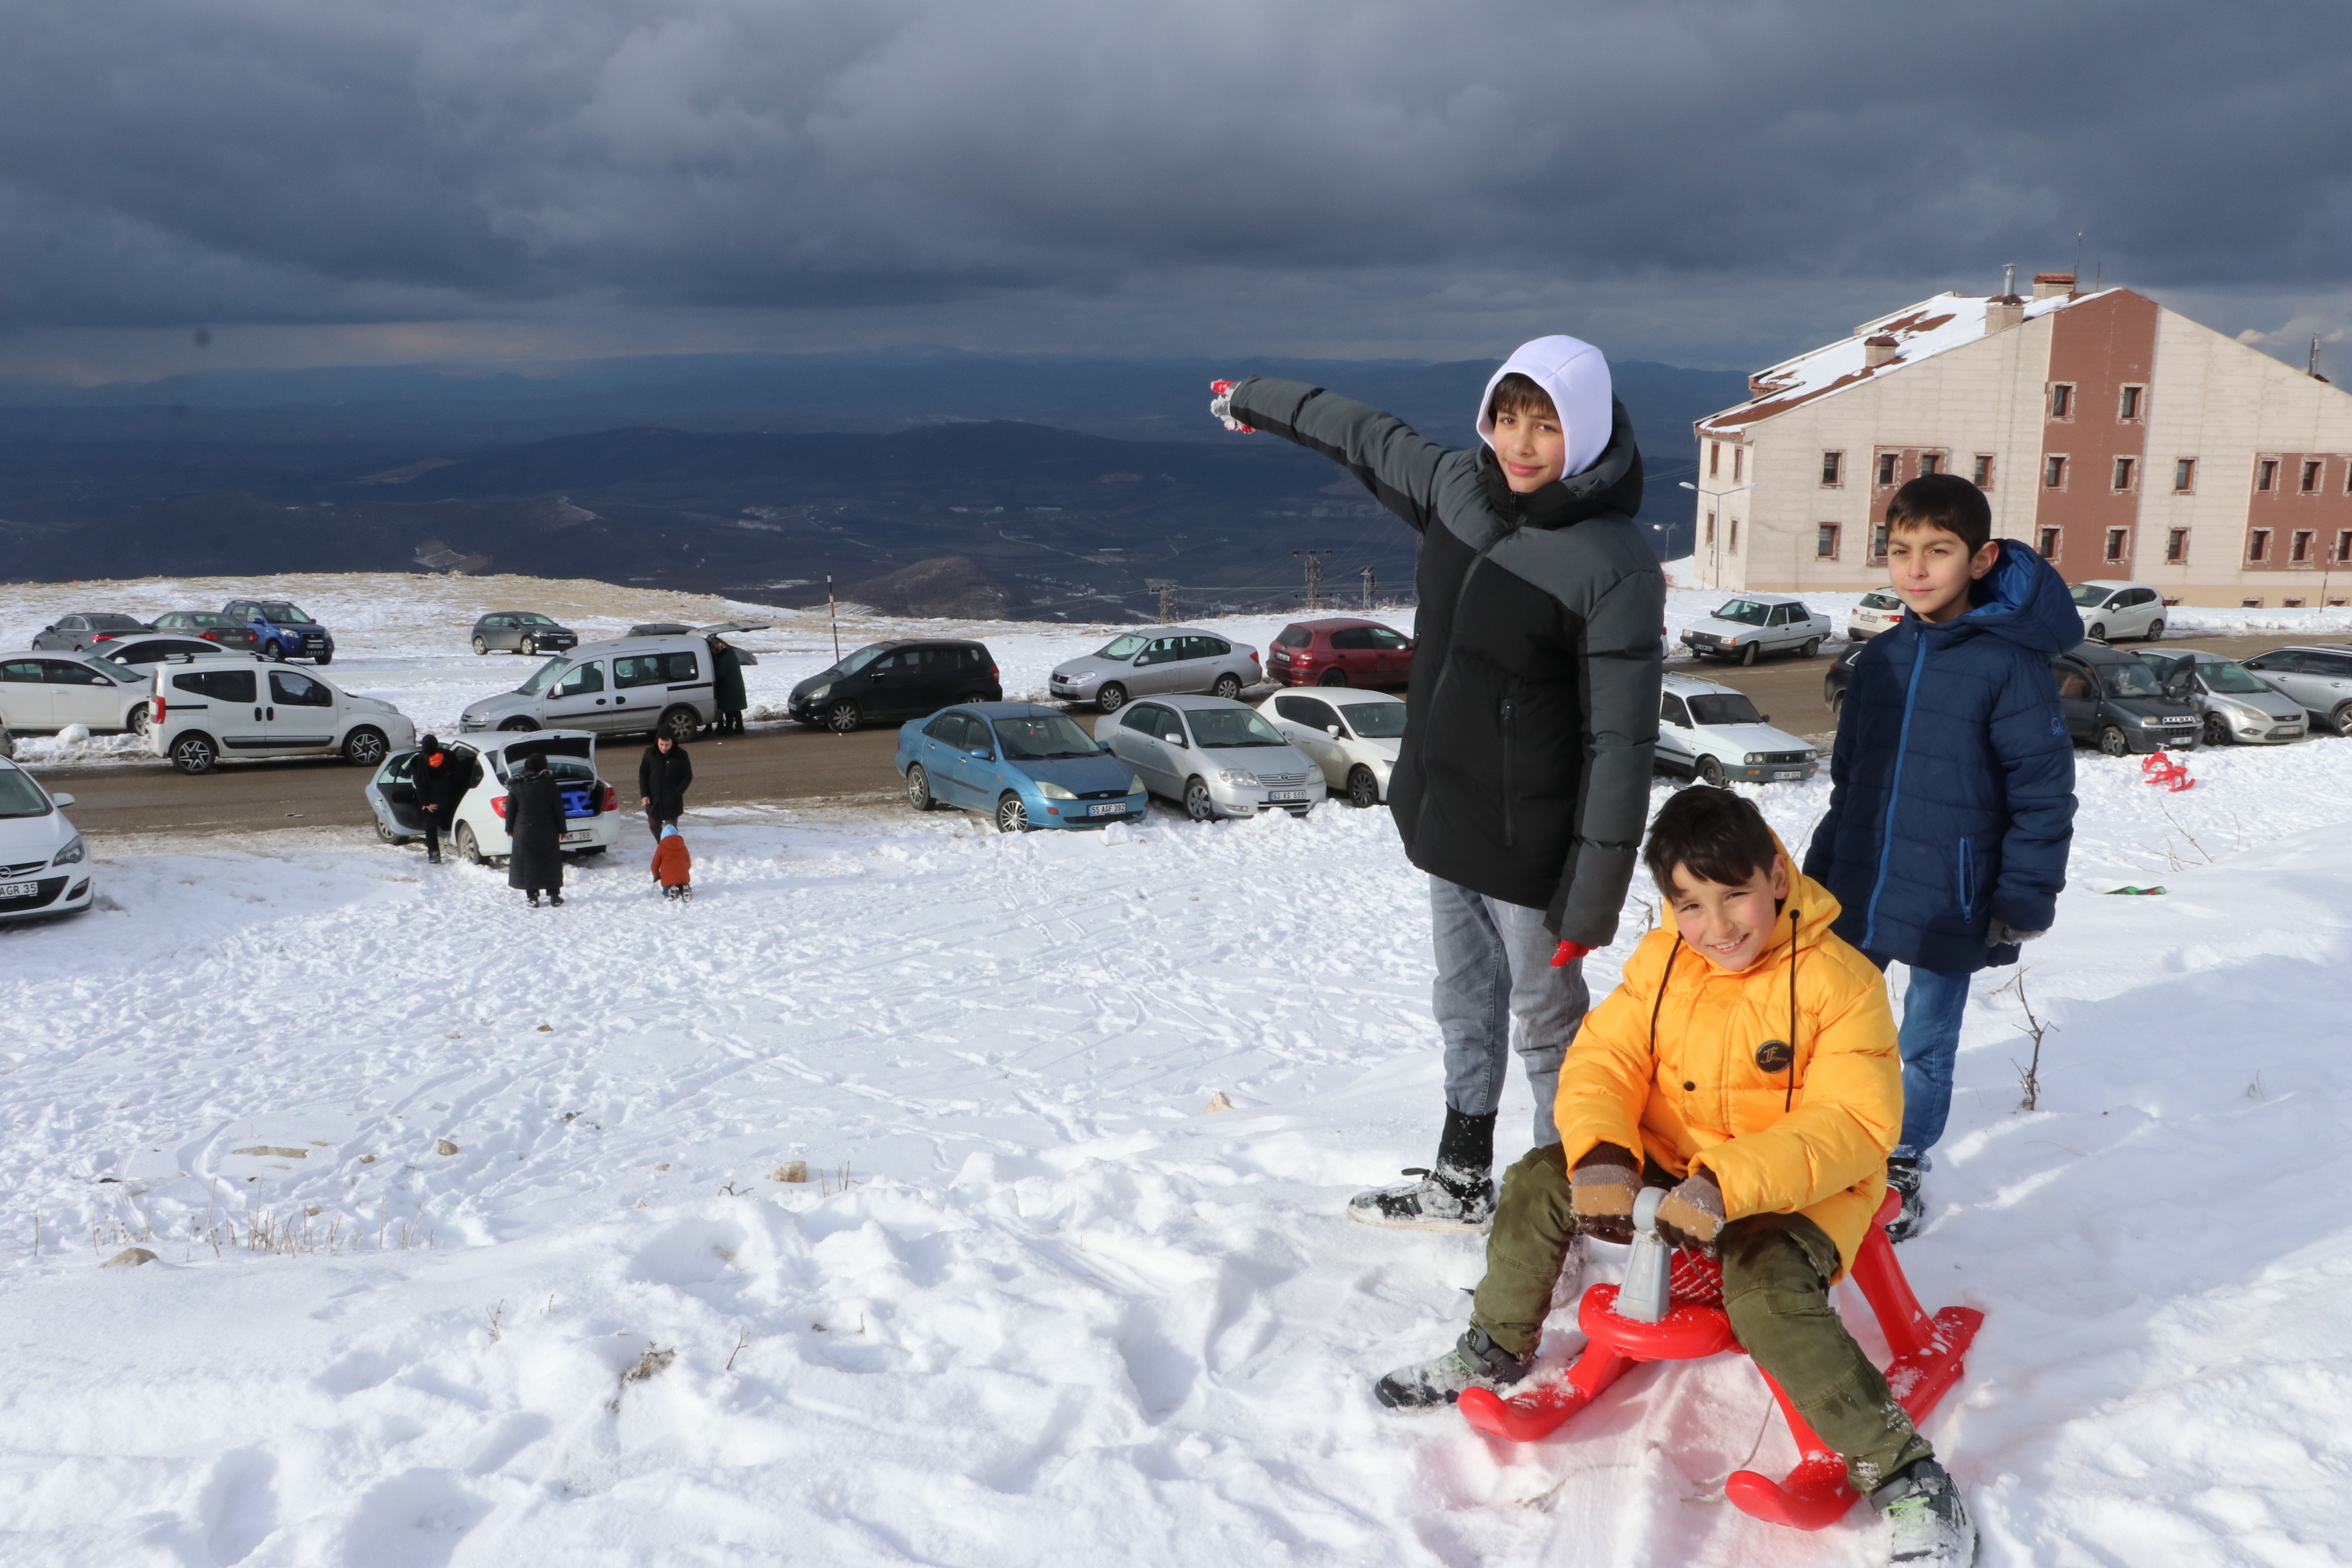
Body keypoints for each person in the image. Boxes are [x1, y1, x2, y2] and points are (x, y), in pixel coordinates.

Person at [1373, 787, 1975, 1568]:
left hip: (1800, 1184)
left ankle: (1906, 1473)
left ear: (1778, 880)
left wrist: (1727, 1183)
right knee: (1535, 1178)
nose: (1716, 928)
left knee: (1763, 1288)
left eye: (1735, 897)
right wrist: (1603, 1153)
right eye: (1690, 904)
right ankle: (1496, 1343)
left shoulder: (1841, 980)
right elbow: (1605, 1059)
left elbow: (1855, 1124)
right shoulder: (1662, 962)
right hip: (1679, 1163)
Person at [1211, 339, 1664, 1229]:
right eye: (1507, 417)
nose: (1522, 444)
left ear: (1588, 431)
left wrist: (1591, 902)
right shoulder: (1461, 487)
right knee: (1463, 1005)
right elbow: (1367, 435)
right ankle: (1460, 1180)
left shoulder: (1614, 564)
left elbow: (1624, 745)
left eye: (1548, 425)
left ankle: (1551, 1223)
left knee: (1548, 1034)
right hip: (1446, 813)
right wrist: (1254, 397)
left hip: (1536, 849)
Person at [1803, 474, 2077, 1240]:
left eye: (1938, 550)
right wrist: (1817, 882)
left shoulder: (2009, 665)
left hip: (1951, 896)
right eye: (1900, 551)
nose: (1916, 568)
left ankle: (1902, 1160)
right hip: (1861, 882)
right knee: (1837, 1028)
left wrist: (2022, 897)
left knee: (1924, 1042)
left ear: (1981, 558)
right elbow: (1851, 786)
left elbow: (2042, 793)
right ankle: (1829, 1139)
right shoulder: (1880, 660)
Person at [505, 751, 565, 907]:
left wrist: (509, 828)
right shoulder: (550, 784)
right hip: (548, 830)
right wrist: (563, 829)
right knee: (550, 862)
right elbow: (558, 808)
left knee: (528, 863)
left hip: (524, 831)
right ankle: (555, 896)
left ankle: (533, 897)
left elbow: (511, 809)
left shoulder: (517, 785)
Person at [410, 734, 474, 864]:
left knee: (430, 827)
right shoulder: (449, 756)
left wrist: (426, 803)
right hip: (452, 798)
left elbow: (420, 785)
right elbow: (459, 776)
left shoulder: (418, 762)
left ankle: (434, 855)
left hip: (434, 801)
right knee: (449, 820)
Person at [638, 731, 693, 843]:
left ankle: (672, 848)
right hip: (654, 799)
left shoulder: (681, 755)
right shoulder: (650, 753)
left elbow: (687, 777)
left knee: (671, 829)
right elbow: (643, 773)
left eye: (667, 745)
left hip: (672, 799)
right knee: (654, 825)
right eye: (661, 745)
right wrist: (645, 794)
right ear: (657, 742)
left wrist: (678, 792)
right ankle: (662, 845)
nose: (664, 748)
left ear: (673, 743)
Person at [710, 635, 747, 736]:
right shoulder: (731, 656)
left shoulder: (724, 659)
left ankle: (730, 728)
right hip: (735, 687)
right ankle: (739, 727)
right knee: (736, 709)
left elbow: (720, 673)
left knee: (729, 709)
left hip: (729, 688)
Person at [651, 820, 692, 900]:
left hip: (668, 879)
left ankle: (670, 891)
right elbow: (688, 862)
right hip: (683, 877)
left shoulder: (661, 848)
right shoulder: (683, 847)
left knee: (666, 890)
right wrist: (685, 870)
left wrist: (657, 876)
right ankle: (685, 889)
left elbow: (654, 865)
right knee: (683, 883)